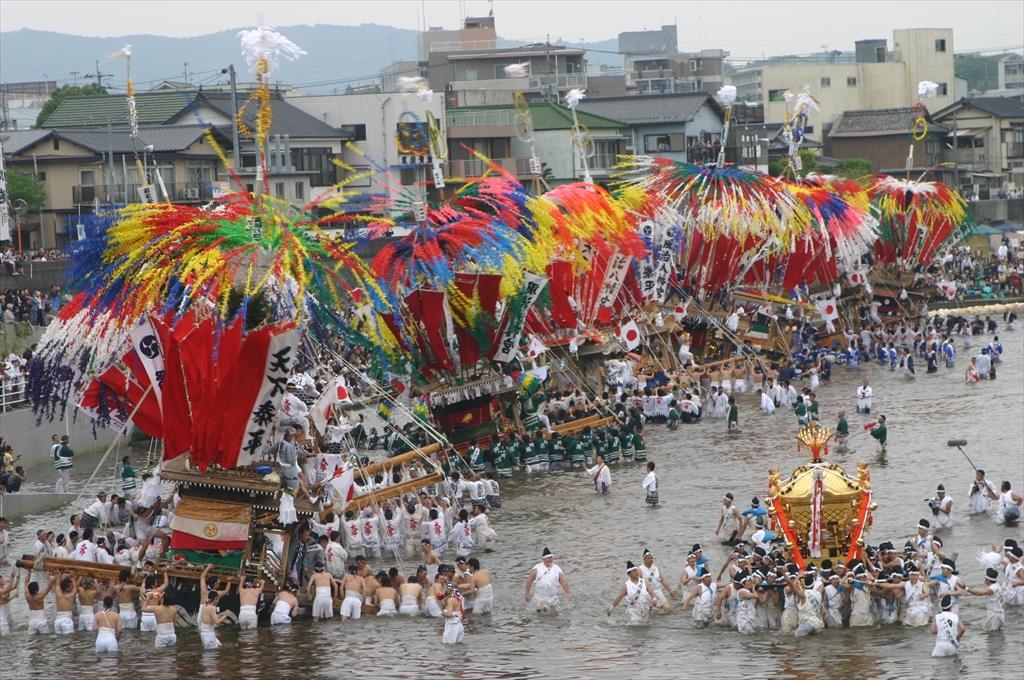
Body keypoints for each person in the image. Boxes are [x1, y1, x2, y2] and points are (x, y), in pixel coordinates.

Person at [525, 547, 571, 614]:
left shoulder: (557, 569)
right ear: (544, 559)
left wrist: (568, 592)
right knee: (542, 611)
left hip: (553, 598)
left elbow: (563, 581)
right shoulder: (536, 569)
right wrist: (527, 593)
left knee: (554, 615)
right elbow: (529, 581)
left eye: (551, 558)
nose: (550, 559)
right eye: (548, 558)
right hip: (540, 597)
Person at [0, 567, 20, 636]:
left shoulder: (4, 589)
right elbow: (8, 591)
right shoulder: (1, 590)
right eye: (0, 579)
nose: (2, 579)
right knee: (6, 637)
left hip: (6, 613)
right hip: (2, 618)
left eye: (2, 578)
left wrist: (17, 578)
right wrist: (12, 577)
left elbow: (13, 587)